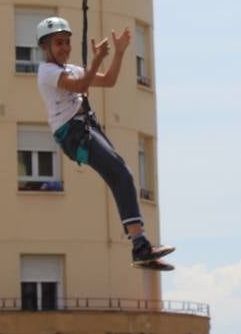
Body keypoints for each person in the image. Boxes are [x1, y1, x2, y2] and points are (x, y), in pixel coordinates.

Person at [34, 16, 172, 266]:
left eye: (67, 42)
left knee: (121, 175)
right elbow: (79, 86)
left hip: (86, 127)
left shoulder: (71, 68)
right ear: (44, 47)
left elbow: (109, 80)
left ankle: (140, 246)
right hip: (73, 135)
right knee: (121, 173)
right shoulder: (47, 72)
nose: (64, 47)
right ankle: (140, 245)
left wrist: (119, 53)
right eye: (58, 43)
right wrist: (97, 58)